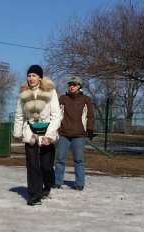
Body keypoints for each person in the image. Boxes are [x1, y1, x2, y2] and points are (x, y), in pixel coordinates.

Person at [12, 64, 62, 206]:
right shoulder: (23, 94)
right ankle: (35, 195)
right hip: (30, 132)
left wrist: (49, 136)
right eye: (29, 75)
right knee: (32, 165)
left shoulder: (50, 91)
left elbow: (56, 116)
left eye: (34, 75)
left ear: (40, 78)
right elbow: (19, 115)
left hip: (47, 130)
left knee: (46, 166)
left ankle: (48, 183)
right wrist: (17, 132)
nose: (31, 78)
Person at [55, 76, 95, 191]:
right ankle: (57, 182)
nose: (71, 86)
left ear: (79, 86)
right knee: (60, 159)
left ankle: (79, 184)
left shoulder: (86, 100)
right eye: (70, 84)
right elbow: (56, 114)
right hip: (63, 133)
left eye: (74, 84)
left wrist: (90, 129)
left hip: (79, 134)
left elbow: (90, 116)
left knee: (78, 160)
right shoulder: (62, 98)